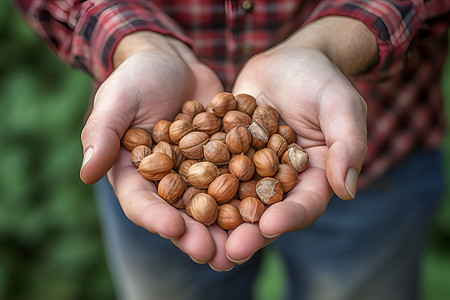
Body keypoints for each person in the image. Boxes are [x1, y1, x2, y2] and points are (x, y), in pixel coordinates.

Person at [14, 0, 450, 299]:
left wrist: (336, 40)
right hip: (146, 138)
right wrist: (133, 42)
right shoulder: (177, 156)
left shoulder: (243, 149)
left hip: (378, 151)